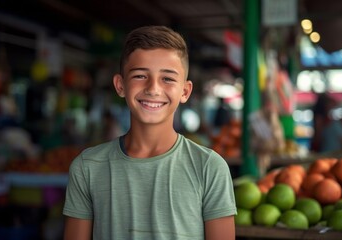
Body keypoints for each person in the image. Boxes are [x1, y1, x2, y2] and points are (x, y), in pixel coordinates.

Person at [62, 25, 237, 240]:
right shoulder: (87, 167)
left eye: (167, 78)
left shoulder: (209, 167)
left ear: (185, 91)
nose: (153, 88)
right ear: (120, 85)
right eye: (140, 76)